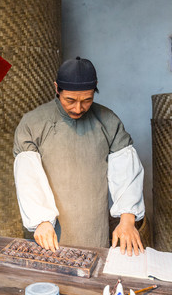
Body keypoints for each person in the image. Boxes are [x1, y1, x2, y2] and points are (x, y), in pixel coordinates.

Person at [13, 57, 145, 256]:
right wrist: (40, 221)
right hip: (47, 232)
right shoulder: (33, 123)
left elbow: (127, 173)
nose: (78, 108)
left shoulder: (108, 121)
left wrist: (127, 221)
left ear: (95, 89)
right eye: (70, 100)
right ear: (57, 88)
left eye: (87, 100)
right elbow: (27, 177)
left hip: (94, 229)